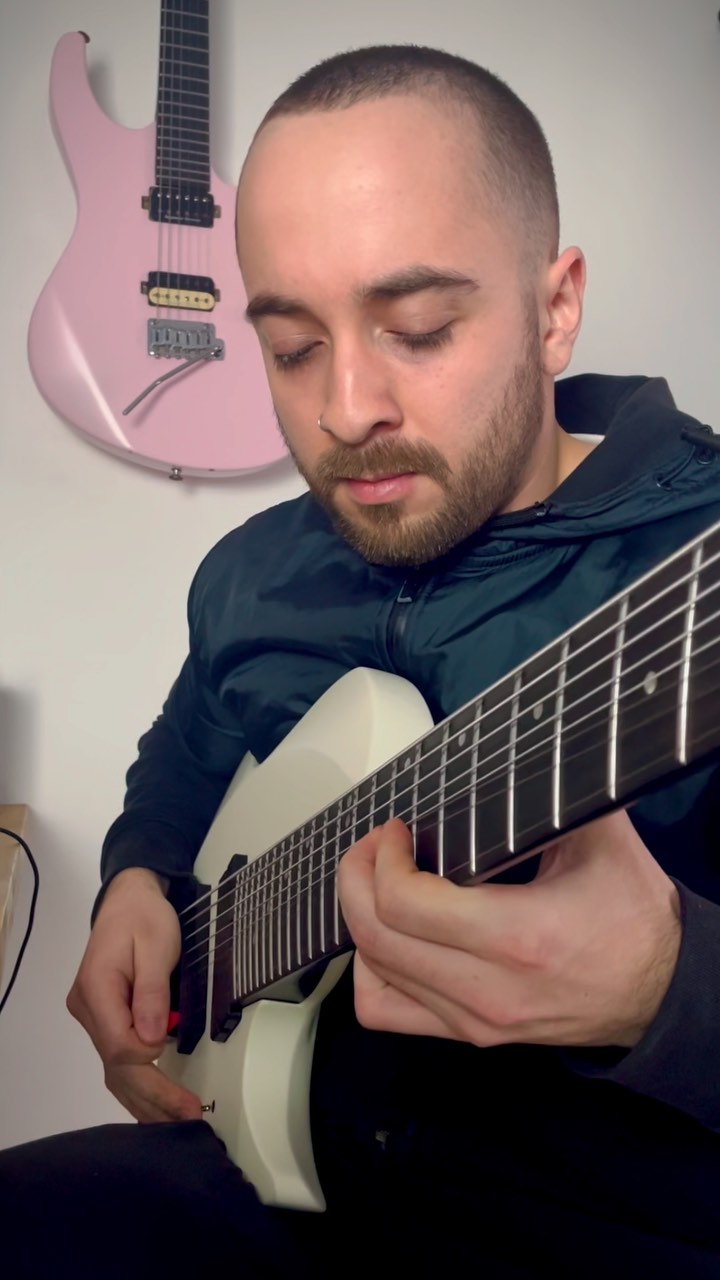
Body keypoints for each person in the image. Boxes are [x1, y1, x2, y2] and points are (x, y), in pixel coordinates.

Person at [2, 43, 720, 1278]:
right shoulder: (251, 568)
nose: (345, 409)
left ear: (555, 308)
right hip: (265, 1167)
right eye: (291, 346)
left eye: (419, 328)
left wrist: (678, 989)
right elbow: (189, 745)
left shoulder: (694, 549)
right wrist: (137, 875)